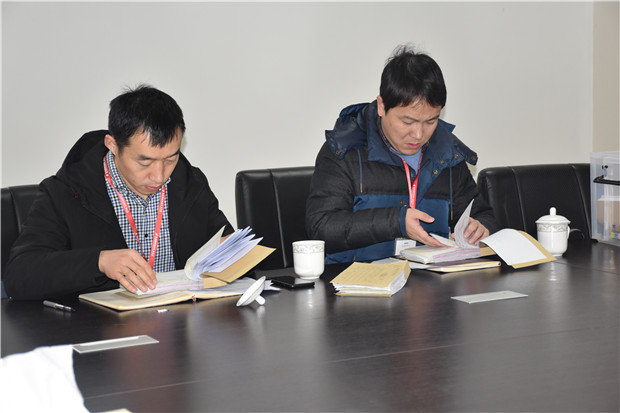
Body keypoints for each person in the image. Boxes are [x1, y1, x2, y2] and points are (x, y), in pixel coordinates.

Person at [4, 85, 234, 299]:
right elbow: (19, 274)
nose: (159, 176)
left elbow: (226, 246)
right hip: (101, 326)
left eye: (170, 159)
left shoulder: (192, 184)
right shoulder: (65, 192)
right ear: (112, 145)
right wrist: (99, 262)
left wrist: (232, 254)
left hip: (182, 322)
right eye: (144, 162)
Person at [305, 45, 499, 264]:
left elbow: (483, 215)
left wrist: (481, 227)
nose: (418, 134)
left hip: (430, 279)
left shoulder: (448, 154)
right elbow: (321, 227)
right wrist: (395, 221)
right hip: (355, 279)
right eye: (408, 121)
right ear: (382, 106)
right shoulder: (344, 151)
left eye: (431, 121)